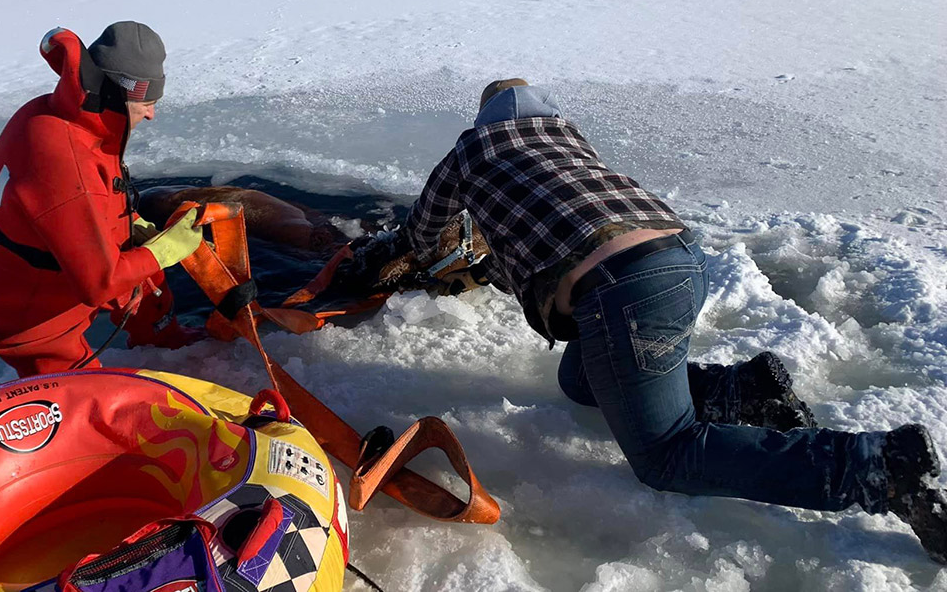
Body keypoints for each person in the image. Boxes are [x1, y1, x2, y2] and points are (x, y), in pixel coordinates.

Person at [376, 78, 947, 562]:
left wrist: (400, 259)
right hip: (680, 259)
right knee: (581, 379)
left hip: (623, 293)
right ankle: (745, 389)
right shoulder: (567, 140)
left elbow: (426, 233)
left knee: (667, 455)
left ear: (484, 119)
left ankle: (880, 468)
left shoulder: (472, 151)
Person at [0, 22, 205, 377]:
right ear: (124, 96)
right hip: (21, 318)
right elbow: (98, 284)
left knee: (146, 280)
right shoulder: (65, 159)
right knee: (82, 397)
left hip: (33, 271)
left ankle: (162, 339)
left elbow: (76, 204)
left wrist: (130, 225)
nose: (152, 114)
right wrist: (165, 250)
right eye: (148, 103)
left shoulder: (61, 115)